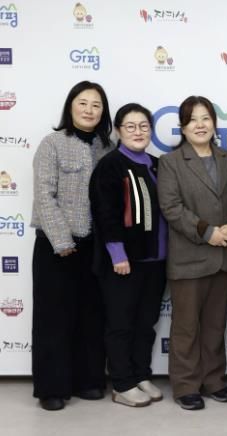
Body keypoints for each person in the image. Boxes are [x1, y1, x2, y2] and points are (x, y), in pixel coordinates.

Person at [31, 80, 112, 411]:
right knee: (54, 319)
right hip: (57, 247)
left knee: (91, 317)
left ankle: (88, 380)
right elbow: (44, 195)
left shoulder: (108, 148)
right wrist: (62, 239)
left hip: (96, 247)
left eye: (96, 105)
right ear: (70, 107)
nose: (89, 110)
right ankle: (52, 388)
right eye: (83, 103)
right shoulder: (52, 143)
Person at [157, 96, 227, 411]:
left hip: (224, 256)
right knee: (186, 327)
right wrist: (207, 231)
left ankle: (214, 380)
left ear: (214, 124)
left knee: (215, 325)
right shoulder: (171, 162)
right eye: (192, 120)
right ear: (183, 127)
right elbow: (171, 207)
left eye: (206, 118)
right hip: (189, 257)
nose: (200, 125)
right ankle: (186, 385)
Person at [89, 103, 167, 407]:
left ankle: (140, 374)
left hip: (156, 260)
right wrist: (117, 254)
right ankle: (122, 383)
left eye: (144, 126)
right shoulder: (110, 165)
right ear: (119, 131)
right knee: (121, 323)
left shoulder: (158, 164)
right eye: (130, 126)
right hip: (124, 262)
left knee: (146, 323)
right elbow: (105, 213)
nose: (138, 132)